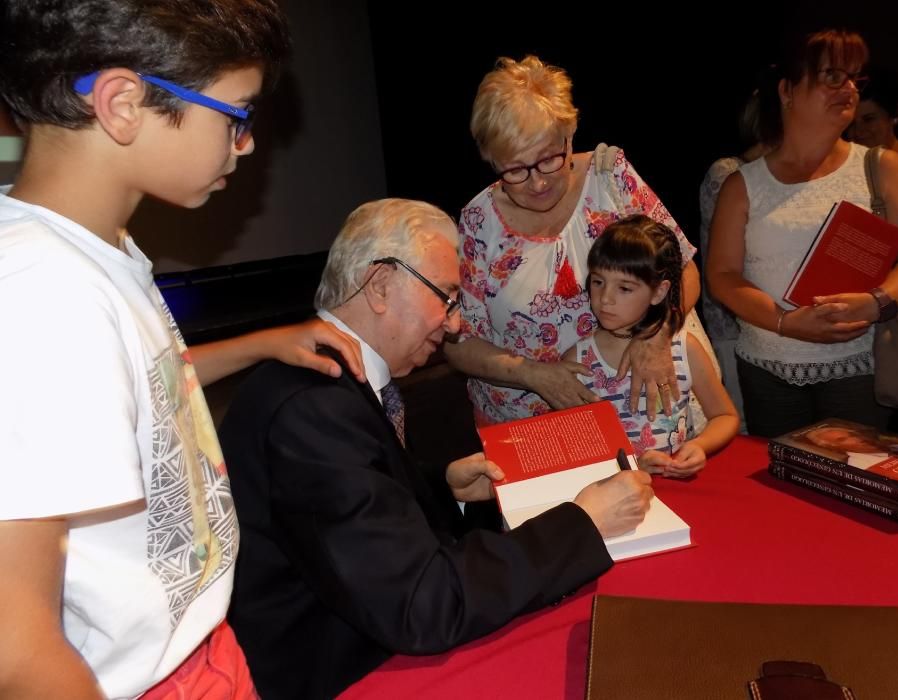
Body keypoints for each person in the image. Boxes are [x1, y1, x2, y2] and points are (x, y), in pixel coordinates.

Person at [0, 2, 366, 698]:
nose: (246, 142)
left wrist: (260, 344)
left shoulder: (92, 250)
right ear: (124, 103)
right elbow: (16, 654)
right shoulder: (38, 295)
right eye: (237, 113)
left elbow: (123, 401)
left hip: (194, 652)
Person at [219, 198, 654, 699]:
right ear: (381, 285)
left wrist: (443, 489)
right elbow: (421, 605)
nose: (454, 324)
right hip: (337, 674)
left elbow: (351, 511)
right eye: (445, 298)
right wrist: (583, 522)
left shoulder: (327, 381)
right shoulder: (311, 408)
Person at [445, 55, 704, 429]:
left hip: (633, 415)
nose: (537, 183)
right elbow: (459, 343)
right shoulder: (478, 221)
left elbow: (683, 269)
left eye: (549, 159)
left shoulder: (611, 180)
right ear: (490, 159)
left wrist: (657, 334)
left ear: (570, 135)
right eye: (515, 169)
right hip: (524, 422)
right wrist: (533, 374)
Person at [706, 28, 898, 438]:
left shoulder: (881, 167)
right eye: (832, 76)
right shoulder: (742, 183)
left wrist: (875, 302)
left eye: (855, 79)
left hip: (861, 367)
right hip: (766, 368)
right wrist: (785, 323)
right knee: (781, 490)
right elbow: (722, 276)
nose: (848, 88)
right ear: (787, 90)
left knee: (855, 488)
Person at [563, 215, 739, 477]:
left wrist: (698, 446)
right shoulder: (577, 361)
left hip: (679, 493)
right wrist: (629, 466)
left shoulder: (684, 348)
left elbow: (725, 416)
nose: (605, 298)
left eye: (624, 288)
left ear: (659, 292)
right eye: (598, 282)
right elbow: (570, 447)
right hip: (614, 498)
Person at [698, 89, 772, 433]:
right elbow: (726, 261)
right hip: (735, 327)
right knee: (742, 428)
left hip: (780, 328)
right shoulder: (729, 173)